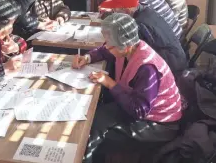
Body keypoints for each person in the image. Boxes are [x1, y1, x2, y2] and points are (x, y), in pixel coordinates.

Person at [74, 13, 182, 163]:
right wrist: (87, 58)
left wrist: (110, 83)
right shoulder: (128, 48)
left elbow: (139, 110)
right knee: (95, 119)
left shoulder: (148, 68)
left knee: (95, 132)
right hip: (136, 105)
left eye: (110, 45)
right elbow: (104, 50)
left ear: (126, 46)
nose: (107, 47)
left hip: (160, 124)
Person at [98, 0, 187, 74]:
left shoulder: (138, 24)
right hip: (175, 58)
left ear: (127, 11)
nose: (114, 13)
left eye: (115, 10)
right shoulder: (146, 11)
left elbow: (122, 49)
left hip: (170, 66)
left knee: (112, 65)